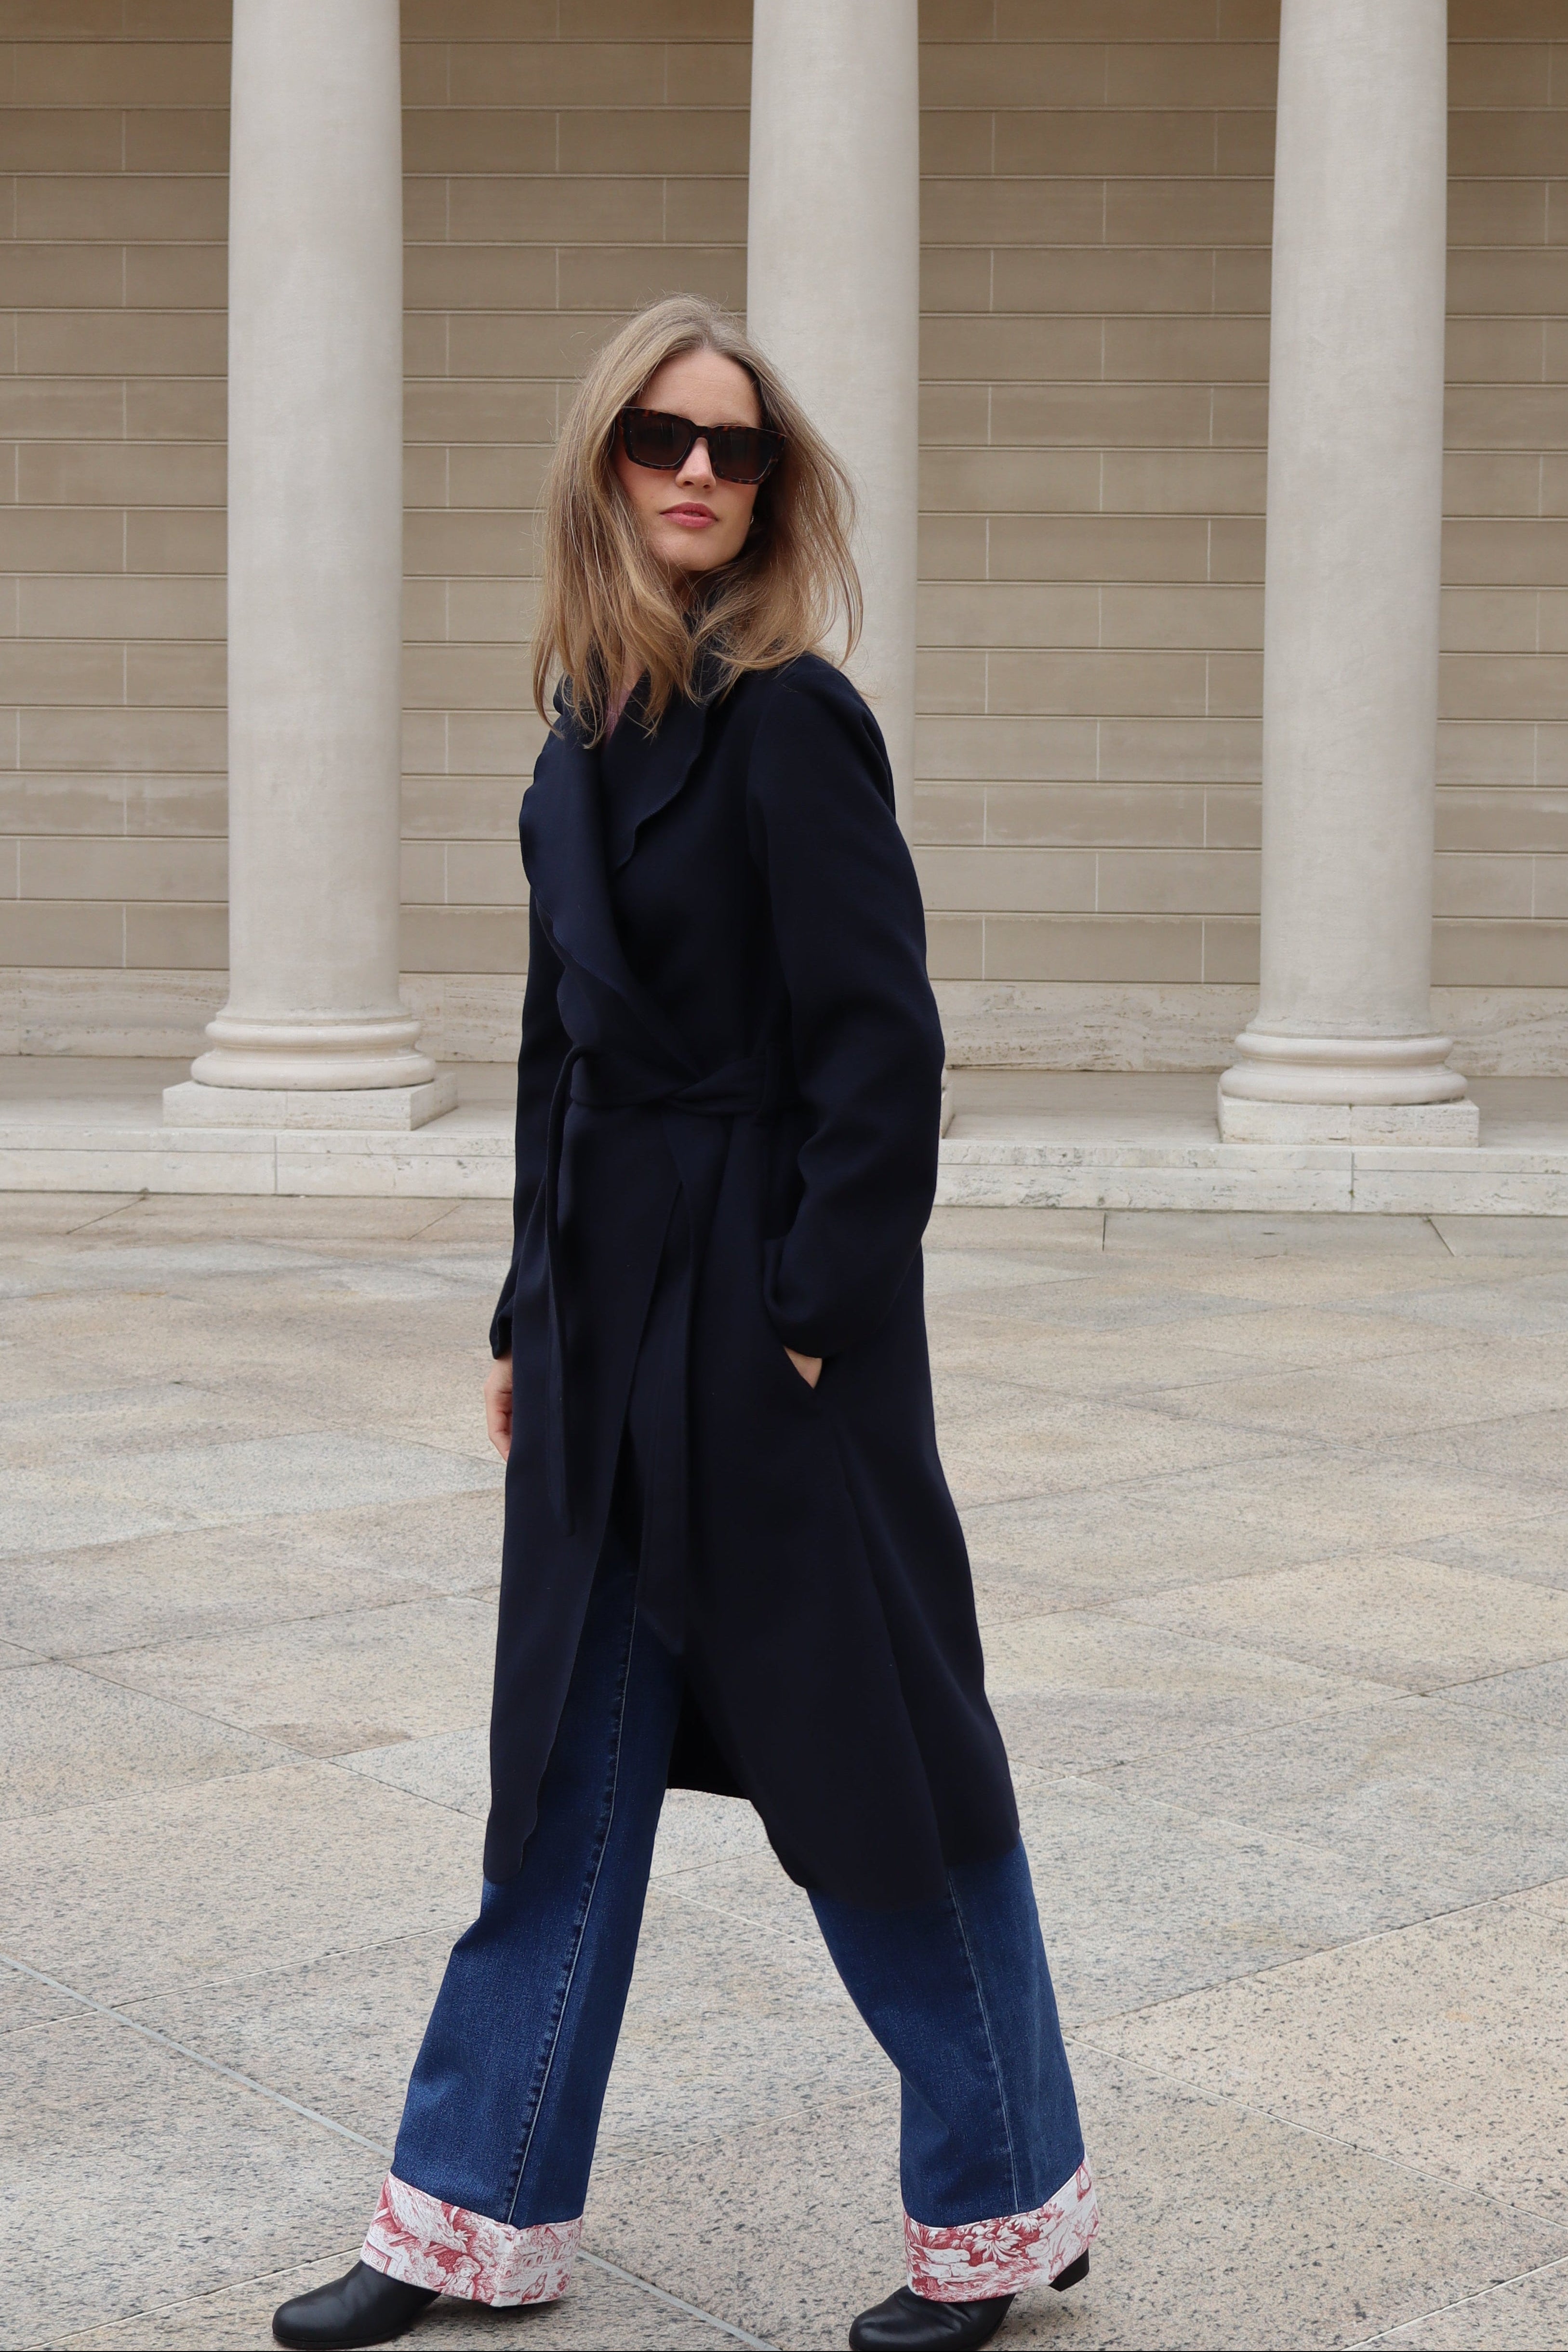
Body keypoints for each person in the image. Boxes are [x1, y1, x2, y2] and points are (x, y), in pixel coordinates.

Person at [273, 294, 1097, 2352]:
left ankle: (1001, 2212)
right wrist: (520, 1311)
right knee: (556, 1770)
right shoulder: (576, 738)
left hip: (770, 1333)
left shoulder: (795, 720)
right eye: (659, 437)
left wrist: (808, 1323)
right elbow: (557, 1055)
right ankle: (466, 2215)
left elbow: (881, 1050)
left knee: (881, 1776)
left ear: (773, 483)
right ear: (604, 467)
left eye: (735, 445)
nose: (699, 473)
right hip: (601, 1328)